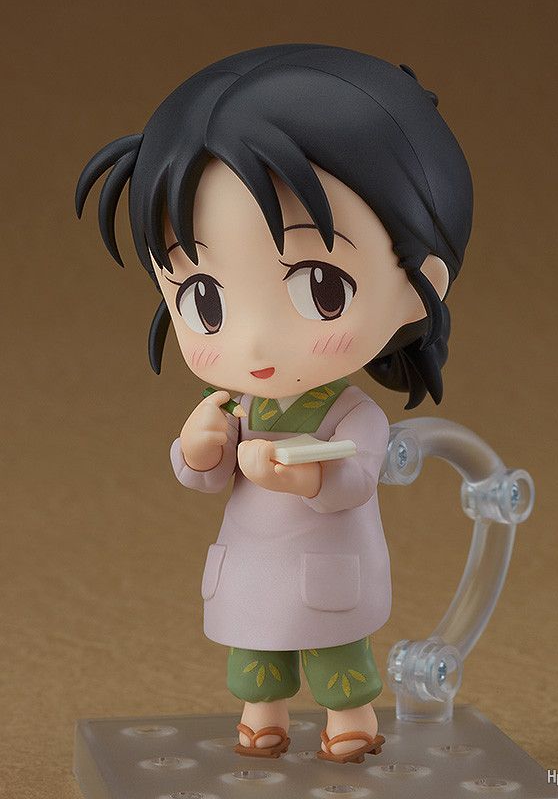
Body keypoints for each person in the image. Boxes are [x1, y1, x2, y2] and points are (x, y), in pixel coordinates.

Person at [76, 43, 473, 763]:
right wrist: (200, 449)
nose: (256, 341)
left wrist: (305, 477)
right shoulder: (234, 403)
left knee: (336, 652)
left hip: (329, 565)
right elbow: (204, 475)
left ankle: (351, 719)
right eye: (204, 298)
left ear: (422, 286)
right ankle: (262, 716)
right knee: (255, 650)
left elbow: (356, 477)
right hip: (252, 565)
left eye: (321, 287)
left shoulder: (352, 413)